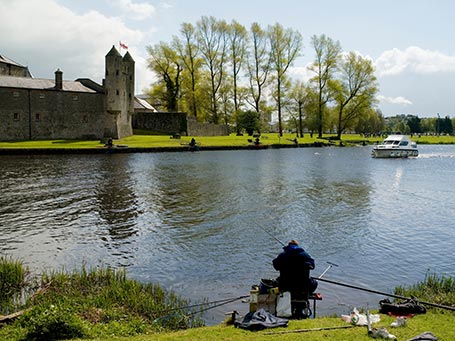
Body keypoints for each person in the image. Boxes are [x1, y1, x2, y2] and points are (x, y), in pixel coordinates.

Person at [273, 240, 318, 317]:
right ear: (298, 246)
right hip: (303, 286)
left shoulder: (282, 255)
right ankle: (301, 307)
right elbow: (312, 266)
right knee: (315, 282)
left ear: (288, 246)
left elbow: (275, 265)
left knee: (276, 282)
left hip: (285, 286)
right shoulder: (305, 255)